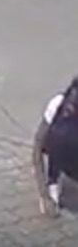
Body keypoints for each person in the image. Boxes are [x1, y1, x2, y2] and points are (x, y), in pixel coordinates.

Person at [34, 74, 78, 218]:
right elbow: (37, 148)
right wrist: (44, 196)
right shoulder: (57, 103)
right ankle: (54, 179)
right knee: (60, 134)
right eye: (69, 104)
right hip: (62, 154)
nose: (69, 109)